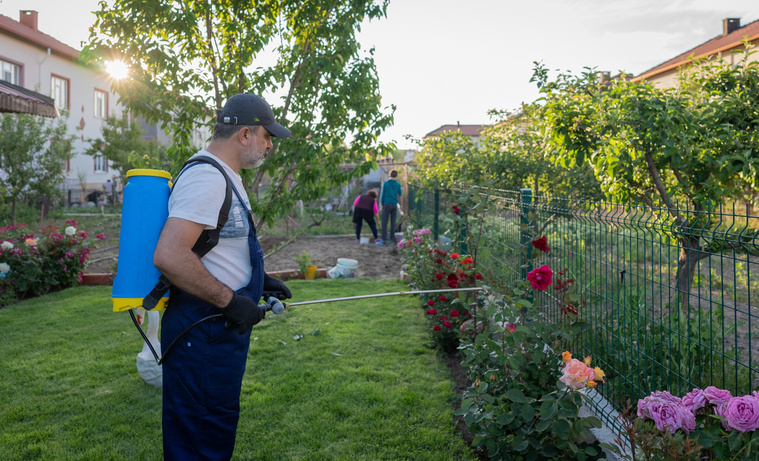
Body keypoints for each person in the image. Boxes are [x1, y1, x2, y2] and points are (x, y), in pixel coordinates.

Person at [153, 93, 293, 461]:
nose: (268, 146)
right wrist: (231, 301)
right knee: (200, 437)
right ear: (244, 135)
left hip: (215, 329)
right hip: (202, 332)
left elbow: (215, 250)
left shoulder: (225, 174)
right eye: (267, 137)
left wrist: (259, 282)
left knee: (213, 428)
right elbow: (170, 255)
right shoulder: (207, 177)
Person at [379, 169, 402, 245]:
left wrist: (382, 204)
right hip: (394, 204)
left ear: (390, 175)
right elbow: (400, 196)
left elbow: (383, 194)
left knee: (384, 222)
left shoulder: (386, 184)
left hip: (387, 204)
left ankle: (383, 240)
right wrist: (400, 205)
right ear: (396, 176)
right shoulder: (398, 184)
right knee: (393, 223)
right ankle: (391, 240)